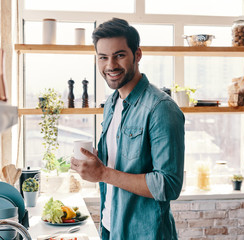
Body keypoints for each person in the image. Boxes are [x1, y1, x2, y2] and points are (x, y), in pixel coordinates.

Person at [70, 18, 185, 240]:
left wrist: (103, 173)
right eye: (103, 57)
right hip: (110, 229)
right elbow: (120, 165)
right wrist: (96, 164)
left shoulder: (161, 108)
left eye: (119, 55)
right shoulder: (112, 104)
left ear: (137, 55)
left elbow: (168, 185)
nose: (110, 65)